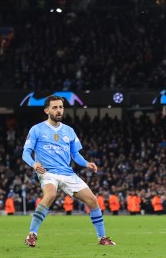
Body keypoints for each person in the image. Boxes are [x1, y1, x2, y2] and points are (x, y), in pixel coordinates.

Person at [21, 95, 116, 247]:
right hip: (47, 172)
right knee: (50, 194)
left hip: (67, 173)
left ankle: (102, 238)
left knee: (92, 200)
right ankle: (32, 234)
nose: (59, 110)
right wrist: (33, 164)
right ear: (47, 110)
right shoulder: (37, 129)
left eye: (61, 107)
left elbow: (75, 154)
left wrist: (86, 163)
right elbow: (25, 153)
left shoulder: (69, 131)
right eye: (55, 107)